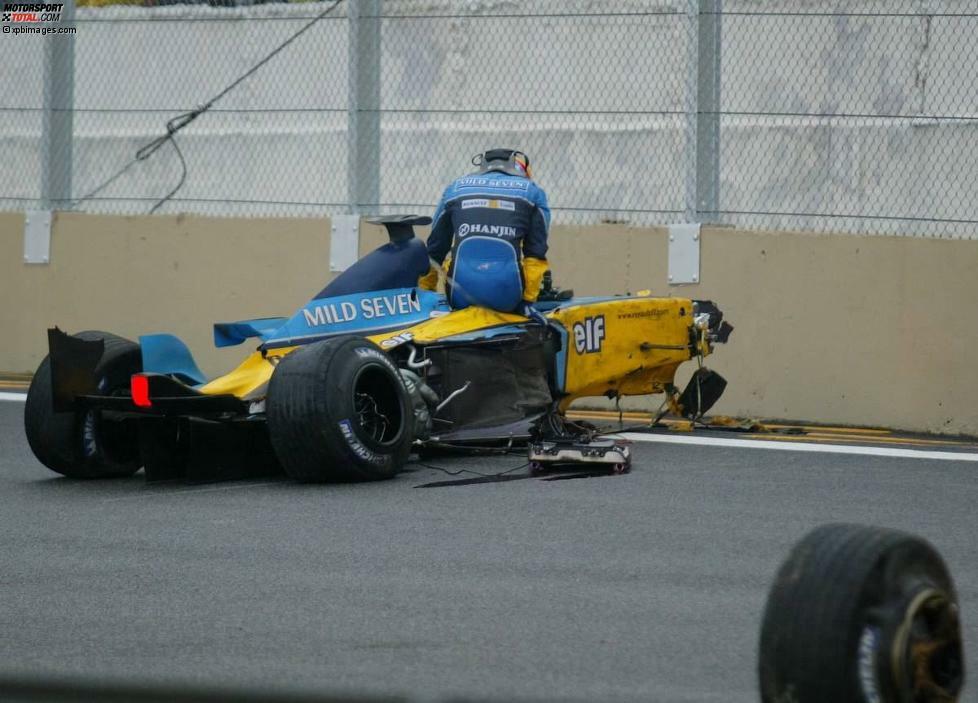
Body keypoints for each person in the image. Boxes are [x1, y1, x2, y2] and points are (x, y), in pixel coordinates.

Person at [420, 149, 551, 316]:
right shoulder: (533, 193)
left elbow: (435, 248)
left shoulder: (455, 188)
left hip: (459, 294)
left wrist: (426, 294)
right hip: (508, 296)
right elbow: (536, 252)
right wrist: (527, 302)